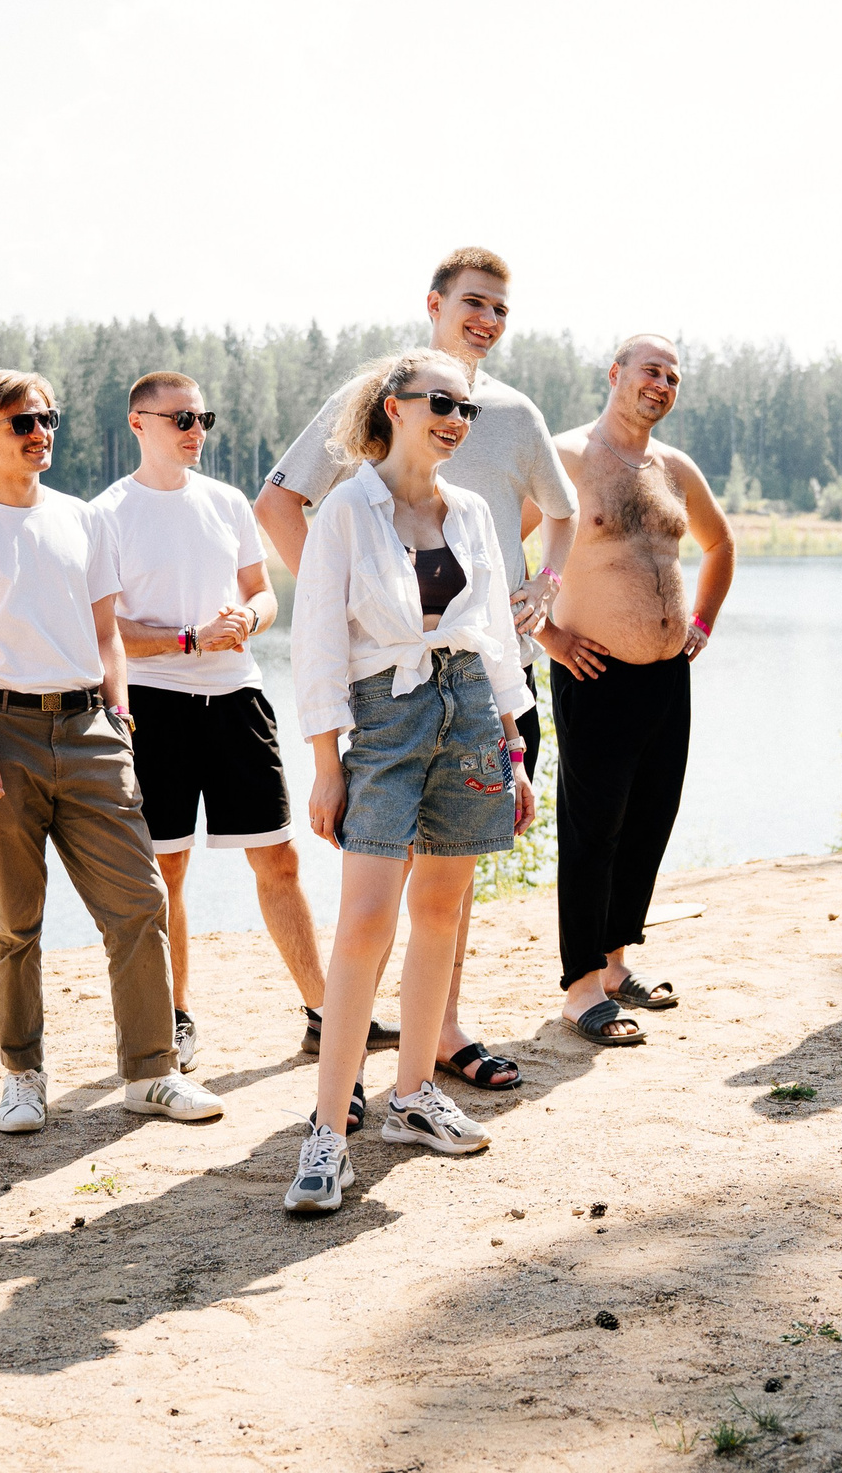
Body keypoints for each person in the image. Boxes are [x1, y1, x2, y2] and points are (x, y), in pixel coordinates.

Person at [256, 245, 573, 1092]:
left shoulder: (512, 413)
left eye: (502, 309)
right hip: (387, 691)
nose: (488, 320)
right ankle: (348, 1065)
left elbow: (555, 512)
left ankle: (440, 1036)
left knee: (450, 879)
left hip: (485, 681)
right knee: (373, 890)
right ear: (433, 303)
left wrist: (542, 586)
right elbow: (278, 503)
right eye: (474, 302)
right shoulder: (371, 398)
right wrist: (355, 605)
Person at [0, 369, 223, 1133]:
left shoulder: (85, 520)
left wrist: (117, 714)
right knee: (15, 920)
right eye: (23, 423)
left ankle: (151, 1073)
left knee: (139, 904)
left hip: (89, 731)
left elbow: (108, 633)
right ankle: (22, 1077)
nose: (41, 432)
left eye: (48, 420)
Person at [282, 349, 538, 1214]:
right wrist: (326, 764)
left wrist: (514, 748)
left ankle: (413, 1096)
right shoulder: (349, 509)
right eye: (440, 403)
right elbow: (316, 641)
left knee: (441, 913)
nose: (456, 421)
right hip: (384, 724)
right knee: (362, 924)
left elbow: (496, 637)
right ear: (393, 406)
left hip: (469, 716)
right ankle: (326, 1131)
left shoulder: (467, 511)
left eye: (466, 409)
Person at [92, 370, 326, 1072]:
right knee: (167, 871)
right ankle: (177, 1017)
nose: (196, 431)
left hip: (237, 698)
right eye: (181, 419)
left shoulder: (227, 503)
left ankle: (325, 1012)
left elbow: (263, 596)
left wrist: (245, 622)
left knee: (279, 860)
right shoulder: (106, 514)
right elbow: (105, 631)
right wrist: (188, 640)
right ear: (139, 423)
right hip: (154, 706)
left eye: (204, 419)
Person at [537, 335, 733, 1046]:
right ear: (615, 373)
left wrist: (701, 621)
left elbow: (721, 545)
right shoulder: (563, 457)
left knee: (647, 821)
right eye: (651, 369)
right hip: (593, 672)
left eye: (674, 376)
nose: (662, 383)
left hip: (666, 677)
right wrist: (549, 637)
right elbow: (495, 548)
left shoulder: (674, 468)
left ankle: (618, 966)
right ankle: (581, 988)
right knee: (591, 833)